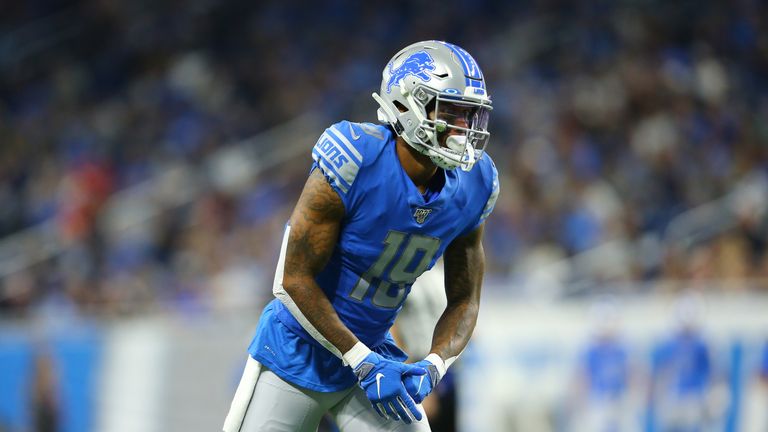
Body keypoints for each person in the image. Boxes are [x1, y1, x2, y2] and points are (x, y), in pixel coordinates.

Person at [222, 40, 499, 432]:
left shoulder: (476, 182)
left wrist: (435, 365)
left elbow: (466, 299)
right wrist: (359, 358)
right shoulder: (356, 156)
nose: (463, 130)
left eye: (470, 116)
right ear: (406, 105)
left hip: (375, 356)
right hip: (298, 351)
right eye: (451, 113)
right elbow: (292, 279)